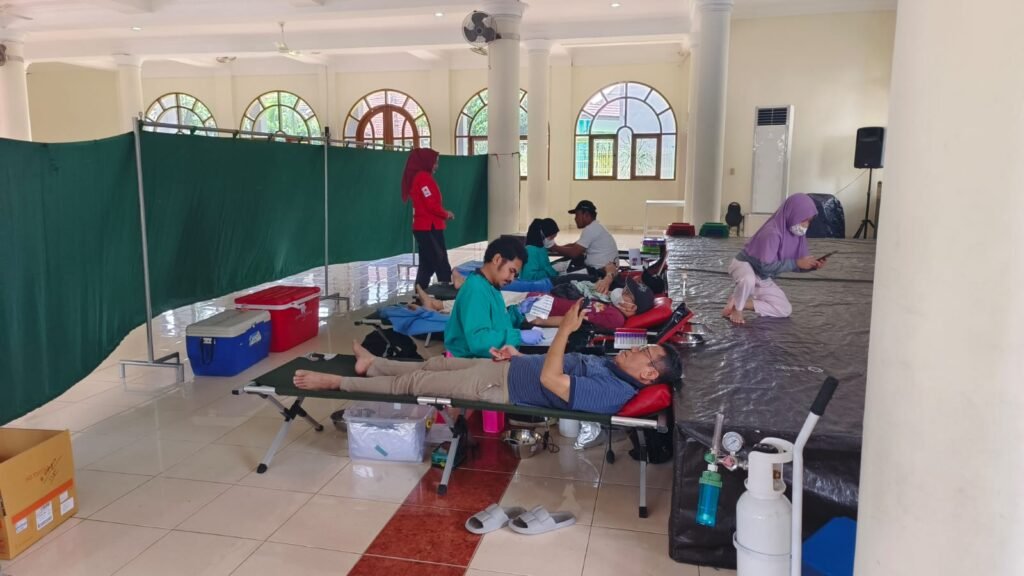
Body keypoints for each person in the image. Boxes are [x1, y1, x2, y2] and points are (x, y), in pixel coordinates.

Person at [294, 300, 685, 415]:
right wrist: (515, 353)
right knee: (433, 363)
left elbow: (551, 382)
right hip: (507, 367)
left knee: (414, 385)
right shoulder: (614, 367)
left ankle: (339, 383)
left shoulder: (611, 393)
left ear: (649, 375)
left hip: (497, 386)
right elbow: (554, 367)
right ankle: (371, 364)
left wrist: (564, 331)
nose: (633, 348)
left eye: (643, 351)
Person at [722, 193, 825, 324]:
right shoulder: (772, 233)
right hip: (745, 265)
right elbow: (765, 266)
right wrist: (796, 263)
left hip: (762, 276)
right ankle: (738, 309)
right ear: (794, 214)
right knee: (748, 279)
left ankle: (738, 301)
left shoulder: (795, 235)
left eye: (809, 221)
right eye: (804, 219)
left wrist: (811, 266)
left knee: (784, 309)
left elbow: (795, 264)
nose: (806, 225)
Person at [444, 237, 541, 358]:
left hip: (491, 356)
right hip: (470, 362)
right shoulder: (476, 289)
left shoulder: (491, 286)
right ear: (497, 259)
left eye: (515, 275)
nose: (511, 279)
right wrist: (518, 336)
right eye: (511, 271)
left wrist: (517, 311)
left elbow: (498, 324)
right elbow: (479, 340)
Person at [402, 148, 455, 290]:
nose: (436, 166)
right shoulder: (423, 178)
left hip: (425, 227)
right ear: (426, 162)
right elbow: (430, 203)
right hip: (428, 228)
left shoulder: (422, 177)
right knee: (441, 263)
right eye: (435, 163)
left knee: (426, 265)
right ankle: (446, 296)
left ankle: (420, 294)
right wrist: (445, 214)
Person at [550, 200, 619, 275]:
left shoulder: (591, 229)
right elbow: (574, 245)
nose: (575, 219)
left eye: (577, 215)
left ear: (586, 215)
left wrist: (554, 247)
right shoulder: (595, 226)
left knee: (560, 275)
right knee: (574, 259)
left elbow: (574, 253)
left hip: (600, 272)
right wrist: (556, 248)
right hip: (601, 269)